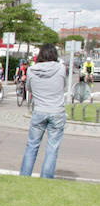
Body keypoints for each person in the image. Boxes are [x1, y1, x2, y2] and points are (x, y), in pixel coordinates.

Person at [20, 44, 66, 179]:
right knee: (52, 147)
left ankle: (24, 176)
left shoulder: (31, 70)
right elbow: (62, 84)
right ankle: (46, 178)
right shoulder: (61, 68)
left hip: (39, 110)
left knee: (32, 146)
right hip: (57, 111)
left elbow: (29, 88)